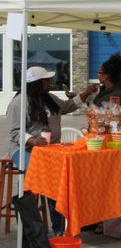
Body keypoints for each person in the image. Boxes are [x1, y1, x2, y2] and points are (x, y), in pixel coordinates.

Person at [7, 66, 97, 236]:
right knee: (32, 174)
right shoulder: (19, 102)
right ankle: (29, 226)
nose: (49, 83)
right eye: (46, 81)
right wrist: (31, 140)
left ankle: (58, 229)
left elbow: (67, 106)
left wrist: (86, 93)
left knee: (57, 180)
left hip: (50, 148)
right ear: (35, 83)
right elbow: (14, 132)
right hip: (24, 148)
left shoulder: (49, 98)